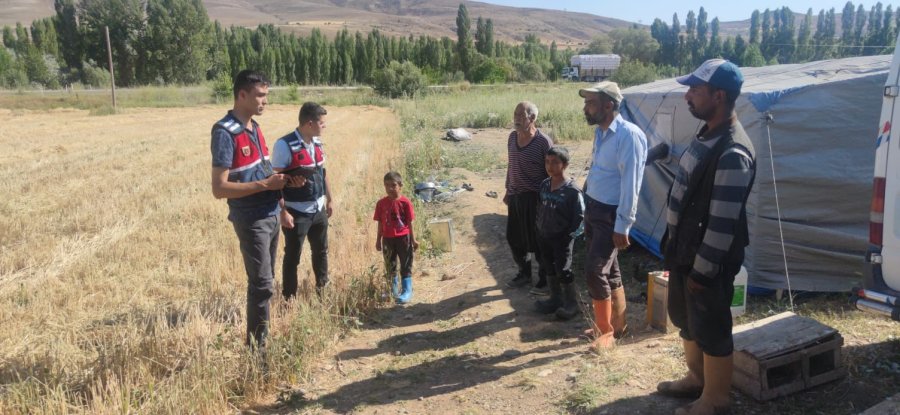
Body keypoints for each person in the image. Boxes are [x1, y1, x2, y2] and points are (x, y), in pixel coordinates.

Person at [655, 59, 756, 415]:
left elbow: (722, 223)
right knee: (687, 320)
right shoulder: (708, 131)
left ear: (719, 95)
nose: (687, 97)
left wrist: (703, 271)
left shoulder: (732, 152)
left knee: (712, 328)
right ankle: (697, 380)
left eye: (695, 90)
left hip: (707, 260)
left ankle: (716, 400)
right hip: (686, 252)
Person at [210, 69, 287, 348]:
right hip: (251, 218)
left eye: (266, 95)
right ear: (241, 95)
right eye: (259, 95)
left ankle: (262, 340)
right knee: (262, 285)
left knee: (266, 282)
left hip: (271, 214)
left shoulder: (255, 127)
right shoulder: (224, 132)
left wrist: (281, 199)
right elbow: (219, 189)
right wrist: (265, 185)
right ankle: (258, 350)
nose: (264, 101)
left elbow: (263, 172)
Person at [579, 81, 647, 349]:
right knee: (611, 270)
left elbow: (632, 183)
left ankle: (605, 332)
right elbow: (599, 172)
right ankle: (618, 325)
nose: (586, 108)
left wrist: (624, 224)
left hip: (611, 214)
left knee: (595, 270)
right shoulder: (601, 133)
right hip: (594, 208)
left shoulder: (628, 136)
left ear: (608, 105)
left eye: (591, 103)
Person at [272, 102, 333, 299]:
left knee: (321, 251)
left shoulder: (317, 143)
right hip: (296, 212)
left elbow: (323, 174)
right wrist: (283, 211)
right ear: (309, 123)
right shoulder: (284, 145)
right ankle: (289, 298)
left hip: (318, 209)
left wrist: (329, 200)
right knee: (292, 257)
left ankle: (322, 291)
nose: (324, 126)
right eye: (322, 123)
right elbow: (275, 182)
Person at [504, 101, 553, 295]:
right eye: (514, 114)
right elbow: (511, 165)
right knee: (514, 238)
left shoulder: (543, 142)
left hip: (535, 198)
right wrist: (508, 189)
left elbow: (551, 172)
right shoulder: (512, 138)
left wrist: (548, 200)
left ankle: (544, 280)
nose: (515, 118)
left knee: (538, 241)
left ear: (532, 118)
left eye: (520, 115)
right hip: (515, 195)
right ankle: (524, 274)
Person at [533, 147, 585, 320]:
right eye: (547, 162)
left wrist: (569, 236)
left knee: (563, 269)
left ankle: (571, 304)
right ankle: (555, 298)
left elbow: (580, 218)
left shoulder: (572, 191)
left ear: (565, 165)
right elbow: (540, 207)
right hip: (544, 235)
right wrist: (539, 227)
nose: (550, 166)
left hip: (562, 239)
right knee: (548, 266)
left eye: (555, 162)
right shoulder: (545, 184)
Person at [374, 171, 419, 304]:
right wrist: (378, 240)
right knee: (390, 264)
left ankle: (406, 290)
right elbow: (380, 223)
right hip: (387, 238)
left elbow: (410, 222)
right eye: (387, 185)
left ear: (400, 185)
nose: (390, 189)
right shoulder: (381, 203)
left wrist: (414, 239)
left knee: (406, 263)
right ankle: (393, 289)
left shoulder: (405, 203)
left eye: (393, 185)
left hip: (403, 238)